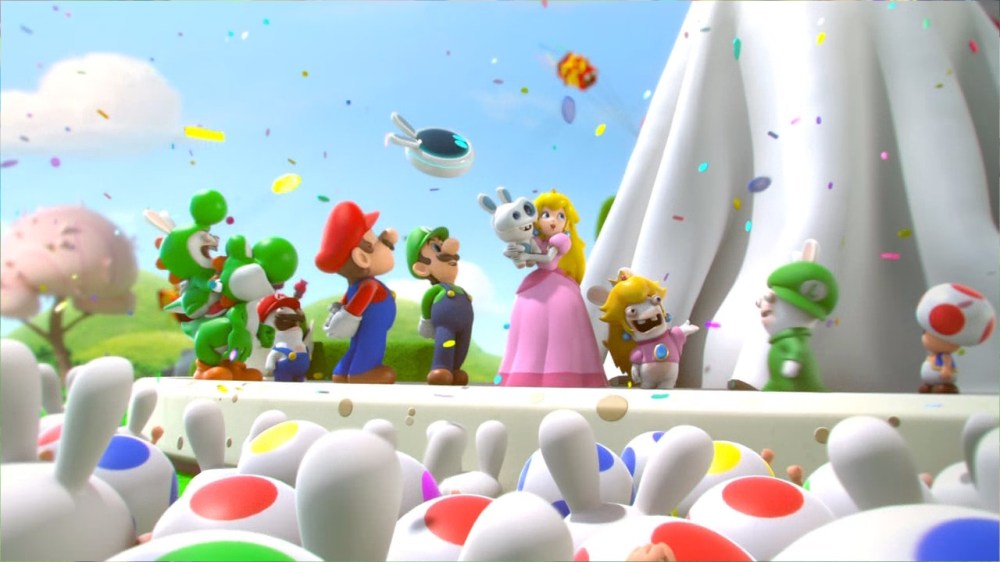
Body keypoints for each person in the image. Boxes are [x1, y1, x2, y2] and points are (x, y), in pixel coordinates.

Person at [498, 190, 607, 387]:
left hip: (560, 291)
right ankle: (525, 372)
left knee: (560, 331)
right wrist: (516, 253)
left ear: (567, 222)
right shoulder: (536, 241)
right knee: (531, 333)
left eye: (561, 216)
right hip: (534, 289)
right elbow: (523, 263)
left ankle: (563, 373)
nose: (553, 221)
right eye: (546, 214)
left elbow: (548, 261)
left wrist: (527, 256)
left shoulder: (562, 240)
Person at [315, 201, 397, 384]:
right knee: (370, 343)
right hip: (373, 326)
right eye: (376, 241)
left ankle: (342, 372)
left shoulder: (356, 285)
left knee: (356, 344)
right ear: (361, 258)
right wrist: (346, 317)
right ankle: (362, 372)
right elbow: (353, 309)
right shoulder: (369, 285)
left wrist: (341, 311)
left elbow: (346, 303)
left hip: (365, 325)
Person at [407, 225, 473, 386]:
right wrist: (426, 321)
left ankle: (455, 369)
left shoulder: (460, 290)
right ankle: (441, 368)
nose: (448, 251)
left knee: (462, 346)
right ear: (422, 268)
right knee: (446, 342)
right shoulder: (437, 290)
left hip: (465, 326)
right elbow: (426, 302)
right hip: (445, 326)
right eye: (436, 247)